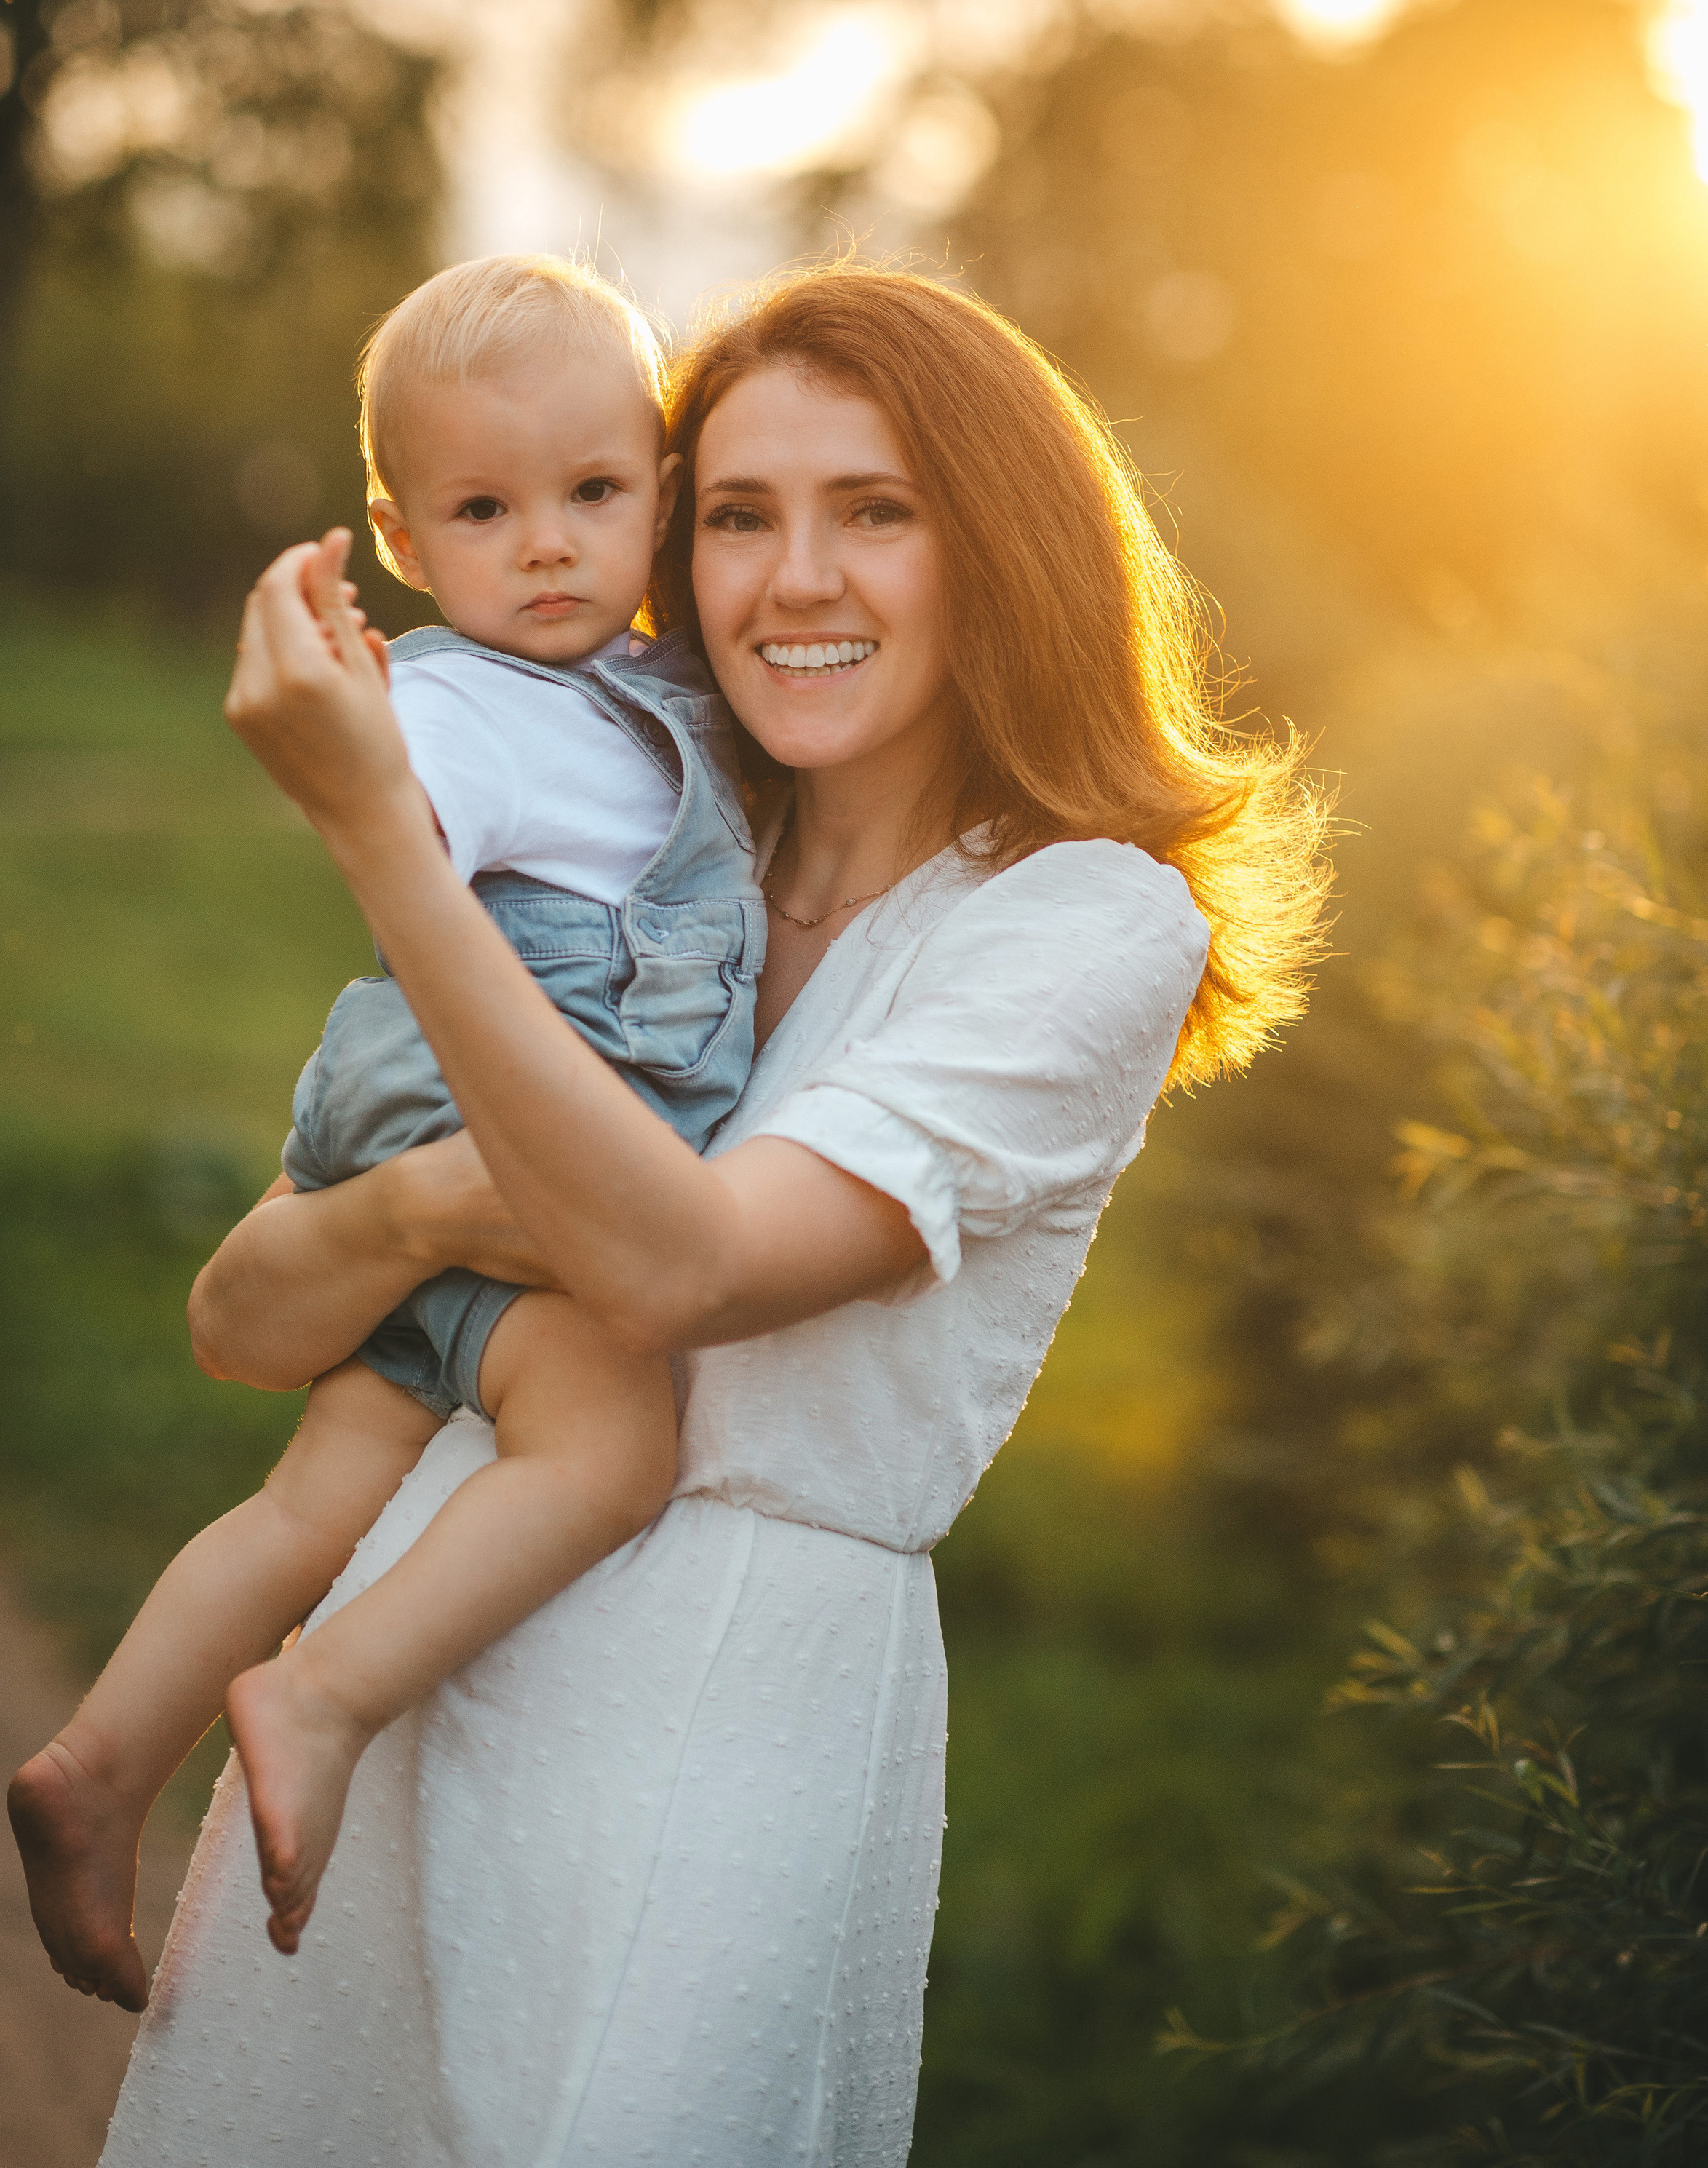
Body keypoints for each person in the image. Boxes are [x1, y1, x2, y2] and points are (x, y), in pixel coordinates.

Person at [100, 266, 1329, 2168]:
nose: (794, 579)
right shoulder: (643, 836)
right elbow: (247, 1320)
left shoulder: (1084, 923)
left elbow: (678, 1269)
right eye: (742, 515)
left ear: (1001, 546)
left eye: (876, 511)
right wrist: (427, 1200)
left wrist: (380, 844)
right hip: (407, 1654)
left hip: (718, 1713)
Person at [9, 255, 765, 2012]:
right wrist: (360, 748)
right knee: (608, 1450)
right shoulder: (462, 701)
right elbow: (401, 824)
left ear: (660, 493)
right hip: (487, 1120)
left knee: (306, 1497)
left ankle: (94, 1768)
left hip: (424, 1135)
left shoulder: (662, 690)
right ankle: (322, 1695)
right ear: (403, 540)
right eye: (485, 511)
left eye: (592, 493)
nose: (548, 546)